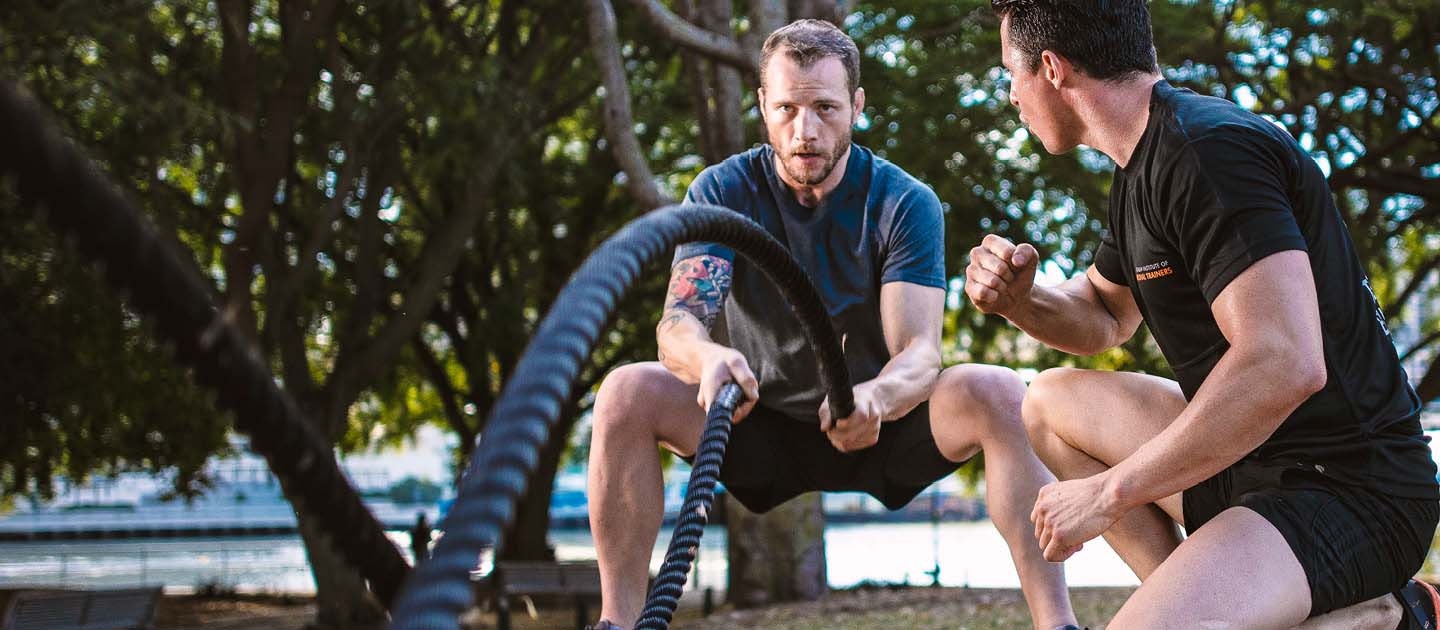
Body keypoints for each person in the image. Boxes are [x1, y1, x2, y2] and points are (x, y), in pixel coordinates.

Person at [586, 19, 1079, 630]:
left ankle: (1058, 623)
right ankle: (616, 623)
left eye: (825, 107)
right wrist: (709, 360)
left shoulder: (904, 201)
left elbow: (920, 353)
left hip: (879, 418)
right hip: (756, 419)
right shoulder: (720, 191)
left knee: (1001, 391)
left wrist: (876, 396)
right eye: (788, 108)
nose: (806, 131)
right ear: (763, 105)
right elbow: (678, 325)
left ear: (857, 107)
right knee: (624, 393)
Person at [968, 0, 1440, 627]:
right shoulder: (1140, 167)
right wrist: (1022, 300)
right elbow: (1105, 317)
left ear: (1051, 69)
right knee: (1049, 404)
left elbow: (1284, 363)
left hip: (1350, 490)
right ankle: (1216, 598)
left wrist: (1110, 493)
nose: (1011, 96)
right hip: (1249, 461)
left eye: (1011, 74)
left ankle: (1395, 615)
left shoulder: (1206, 153)